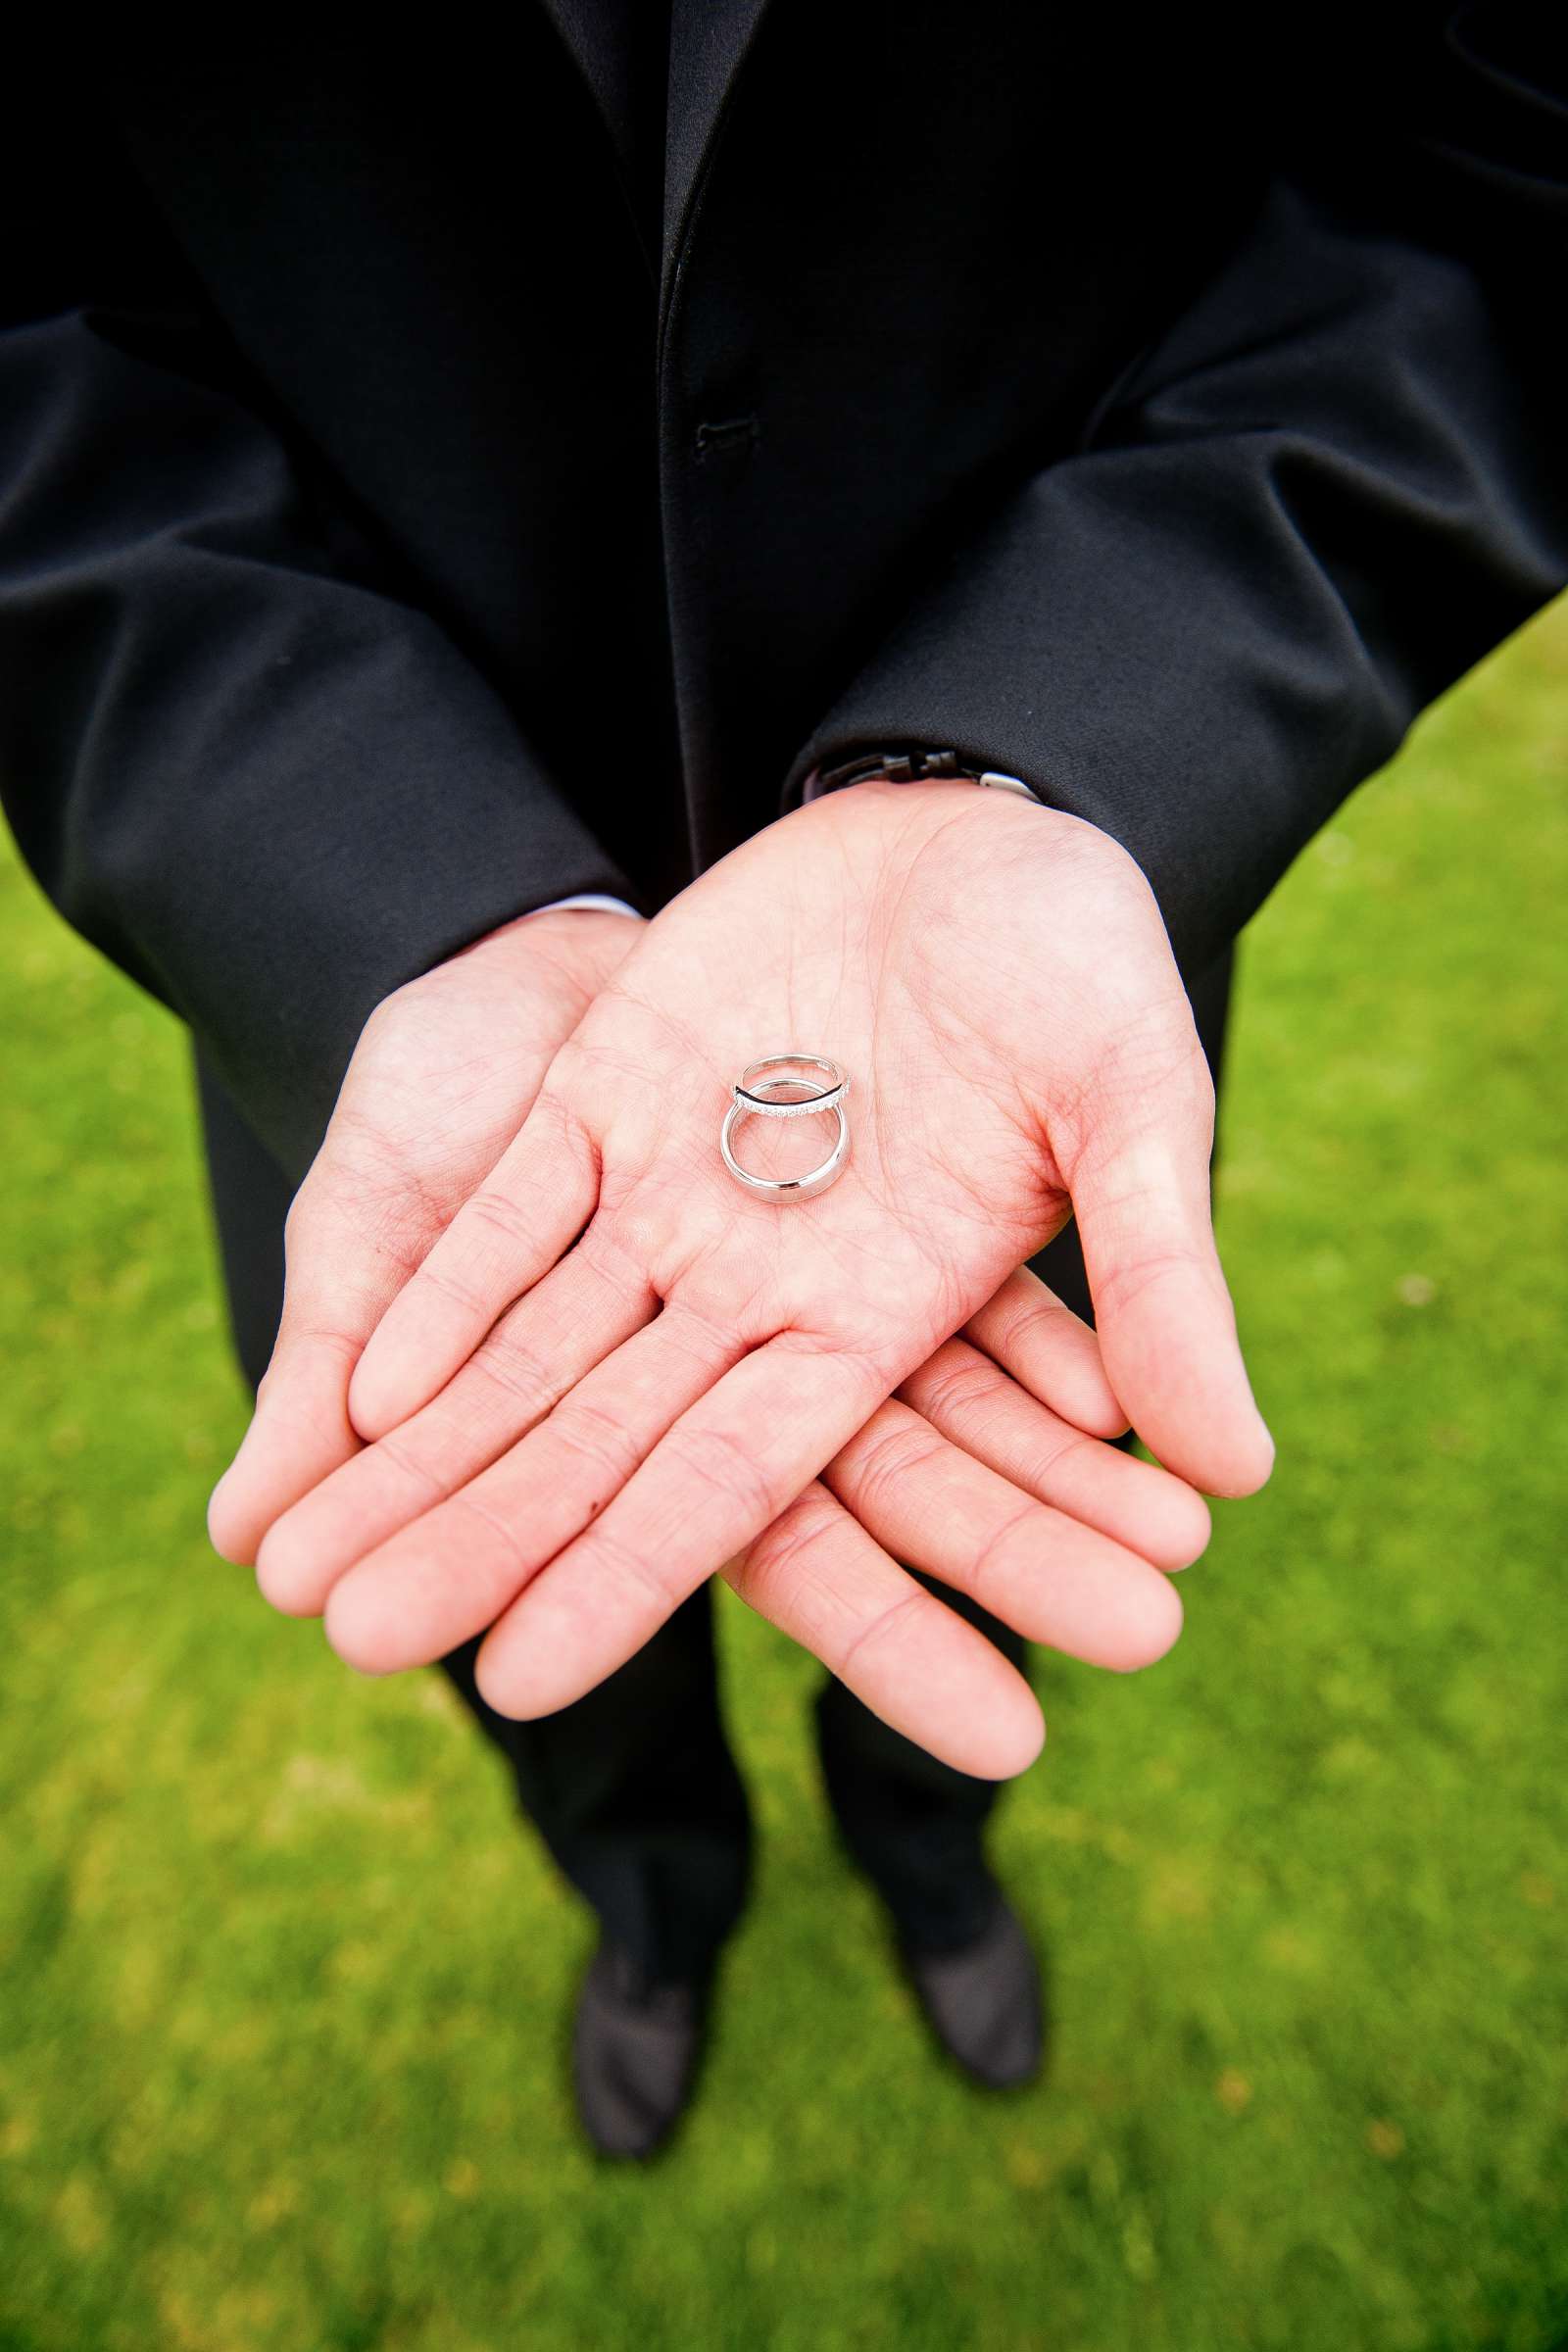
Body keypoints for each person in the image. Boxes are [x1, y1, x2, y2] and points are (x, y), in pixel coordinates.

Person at [2, 12, 1562, 2162]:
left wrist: (1067, 729)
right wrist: (378, 892)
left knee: (981, 1556)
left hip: (1011, 998)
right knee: (524, 1571)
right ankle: (650, 1907)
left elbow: (1485, 191)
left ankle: (930, 1855)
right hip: (385, 1009)